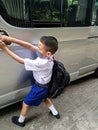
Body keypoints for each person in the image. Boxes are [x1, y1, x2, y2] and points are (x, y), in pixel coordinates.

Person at [0, 35, 60, 127]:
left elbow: (20, 61)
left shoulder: (41, 63)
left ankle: (21, 121)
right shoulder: (50, 56)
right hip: (45, 85)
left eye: (39, 47)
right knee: (44, 98)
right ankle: (55, 112)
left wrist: (4, 48)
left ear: (48, 53)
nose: (37, 48)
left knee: (25, 103)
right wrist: (11, 40)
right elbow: (31, 47)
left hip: (39, 88)